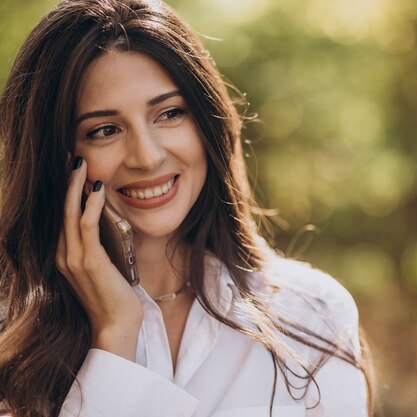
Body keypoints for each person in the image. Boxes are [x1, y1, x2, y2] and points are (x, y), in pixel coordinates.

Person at [0, 0, 373, 416]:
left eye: (170, 113)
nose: (147, 156)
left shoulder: (312, 315)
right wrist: (114, 335)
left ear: (206, 123)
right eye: (105, 130)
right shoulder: (11, 339)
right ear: (57, 158)